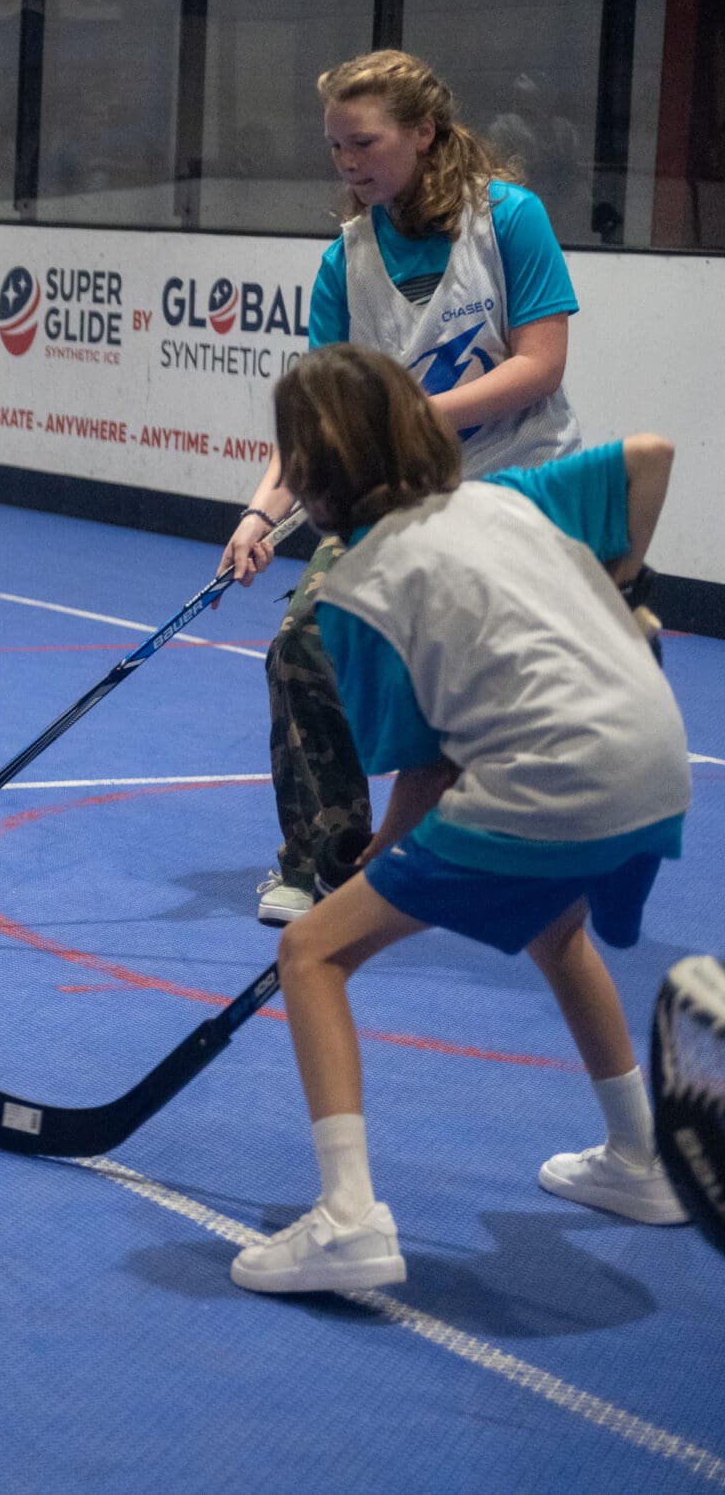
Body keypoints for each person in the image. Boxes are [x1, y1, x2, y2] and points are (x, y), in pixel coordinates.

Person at [228, 344, 690, 1295]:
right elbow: (652, 452)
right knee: (554, 925)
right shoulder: (509, 497)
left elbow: (429, 769)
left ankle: (347, 1221)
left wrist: (368, 875)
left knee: (313, 951)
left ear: (312, 477)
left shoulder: (353, 590)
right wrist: (625, 581)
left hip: (551, 782)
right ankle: (641, 1160)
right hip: (656, 760)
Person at [220, 50, 583, 927]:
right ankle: (322, 863)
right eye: (336, 146)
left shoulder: (510, 222)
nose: (348, 163)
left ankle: (475, 849)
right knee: (304, 642)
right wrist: (263, 510)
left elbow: (540, 366)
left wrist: (408, 413)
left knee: (461, 684)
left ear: (423, 132)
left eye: (365, 142)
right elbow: (318, 414)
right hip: (402, 494)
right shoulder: (346, 259)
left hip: (516, 483)